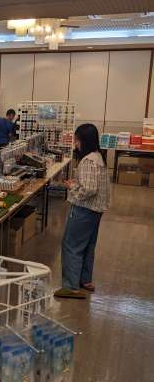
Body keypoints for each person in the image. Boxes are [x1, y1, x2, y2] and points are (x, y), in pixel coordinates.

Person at [54, 124, 110, 300]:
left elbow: (89, 189)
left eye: (77, 141)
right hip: (95, 210)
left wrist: (72, 186)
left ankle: (70, 286)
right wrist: (77, 184)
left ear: (84, 141)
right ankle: (84, 279)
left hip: (84, 209)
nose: (75, 144)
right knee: (87, 245)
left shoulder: (88, 161)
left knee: (71, 245)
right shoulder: (98, 157)